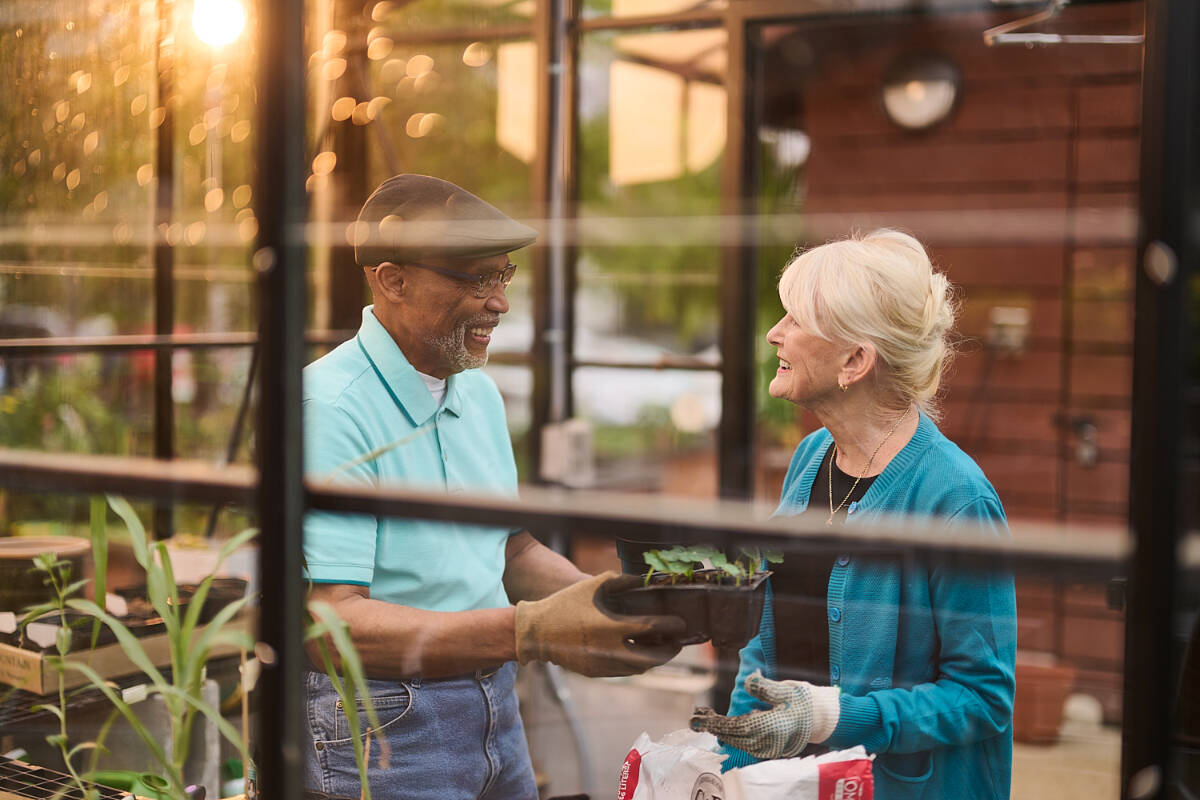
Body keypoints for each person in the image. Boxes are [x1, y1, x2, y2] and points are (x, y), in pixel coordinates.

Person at [301, 174, 685, 800]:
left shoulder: (474, 391)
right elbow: (333, 624)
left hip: (496, 708)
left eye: (502, 275)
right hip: (383, 728)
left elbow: (510, 550)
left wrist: (609, 604)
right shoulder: (329, 407)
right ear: (391, 280)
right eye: (472, 278)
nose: (499, 301)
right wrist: (533, 632)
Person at [690, 230, 1017, 800]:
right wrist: (723, 764)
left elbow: (984, 698)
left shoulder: (955, 498)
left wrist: (836, 716)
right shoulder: (810, 457)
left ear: (855, 361)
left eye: (796, 319)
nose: (775, 333)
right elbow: (765, 649)